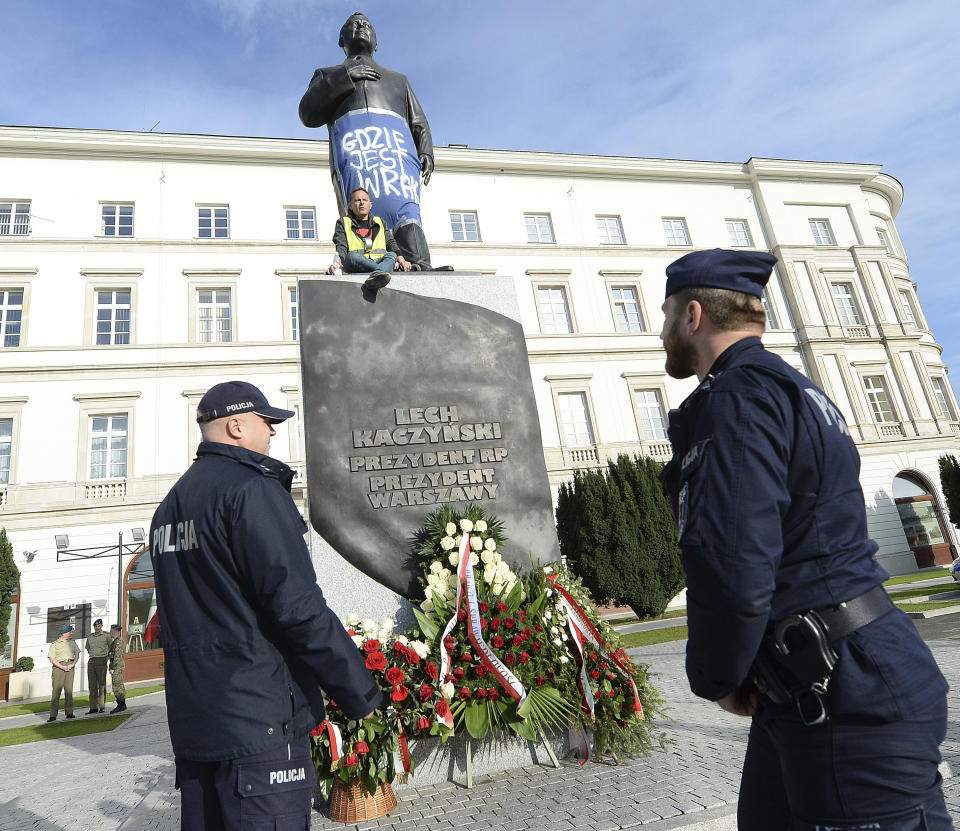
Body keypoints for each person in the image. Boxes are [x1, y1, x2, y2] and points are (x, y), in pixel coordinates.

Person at [658, 248, 951, 830]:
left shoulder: (738, 399)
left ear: (693, 317)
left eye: (665, 314)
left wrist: (721, 676)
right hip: (819, 679)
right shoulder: (792, 388)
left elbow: (732, 559)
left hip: (844, 691)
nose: (661, 329)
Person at [150, 380, 382, 831]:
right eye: (267, 422)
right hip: (259, 724)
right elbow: (297, 607)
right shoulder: (251, 490)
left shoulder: (169, 508)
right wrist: (362, 694)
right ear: (236, 425)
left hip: (198, 729)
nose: (273, 433)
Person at [299, 12, 436, 270]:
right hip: (355, 159)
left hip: (394, 163)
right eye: (353, 24)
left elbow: (418, 120)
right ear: (341, 39)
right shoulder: (327, 75)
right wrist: (345, 77)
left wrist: (426, 150)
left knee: (406, 216)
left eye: (367, 25)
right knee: (360, 218)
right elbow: (308, 113)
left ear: (376, 42)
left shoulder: (398, 80)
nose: (361, 26)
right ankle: (365, 267)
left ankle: (419, 265)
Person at [329, 187, 411, 290]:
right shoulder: (343, 222)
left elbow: (390, 243)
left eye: (365, 200)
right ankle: (381, 272)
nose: (362, 203)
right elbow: (341, 246)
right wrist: (337, 263)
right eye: (357, 200)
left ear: (370, 205)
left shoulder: (380, 222)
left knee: (392, 255)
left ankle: (377, 274)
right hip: (355, 265)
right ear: (350, 205)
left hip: (378, 262)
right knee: (352, 256)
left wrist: (402, 260)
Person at [47, 624, 79, 722]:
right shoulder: (55, 644)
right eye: (69, 632)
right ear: (64, 633)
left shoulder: (72, 642)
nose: (71, 633)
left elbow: (77, 654)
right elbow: (52, 659)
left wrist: (72, 664)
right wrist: (62, 667)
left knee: (69, 691)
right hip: (58, 668)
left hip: (70, 665)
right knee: (56, 692)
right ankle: (53, 715)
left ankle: (69, 713)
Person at [85, 617, 110, 714]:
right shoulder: (90, 637)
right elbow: (88, 649)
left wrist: (106, 659)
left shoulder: (106, 636)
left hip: (102, 660)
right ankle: (93, 707)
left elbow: (110, 647)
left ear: (102, 626)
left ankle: (102, 706)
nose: (97, 628)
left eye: (98, 626)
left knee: (102, 685)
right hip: (92, 661)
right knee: (92, 685)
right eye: (95, 626)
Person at [108, 624, 127, 713]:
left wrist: (113, 668)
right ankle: (121, 704)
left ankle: (121, 705)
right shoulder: (114, 642)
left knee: (117, 686)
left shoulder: (119, 642)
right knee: (117, 685)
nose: (110, 633)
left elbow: (117, 657)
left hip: (117, 667)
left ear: (114, 631)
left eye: (111, 631)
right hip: (116, 666)